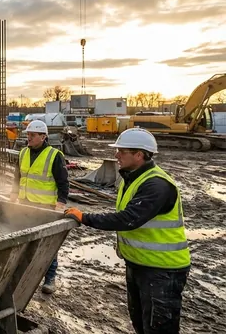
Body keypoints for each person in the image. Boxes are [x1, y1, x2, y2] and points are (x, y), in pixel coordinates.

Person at [64, 128, 190, 334]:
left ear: (139, 155)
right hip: (139, 264)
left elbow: (128, 219)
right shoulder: (131, 178)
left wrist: (85, 217)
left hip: (162, 270)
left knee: (158, 329)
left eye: (122, 151)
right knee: (141, 324)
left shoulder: (156, 184)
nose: (116, 155)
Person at [10, 119, 68, 293]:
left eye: (33, 135)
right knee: (24, 241)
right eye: (28, 134)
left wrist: (61, 202)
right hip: (25, 204)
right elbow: (17, 176)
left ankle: (49, 279)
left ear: (43, 137)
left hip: (45, 207)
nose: (29, 138)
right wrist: (13, 194)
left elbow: (63, 181)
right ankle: (23, 277)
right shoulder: (23, 153)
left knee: (47, 244)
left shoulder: (54, 155)